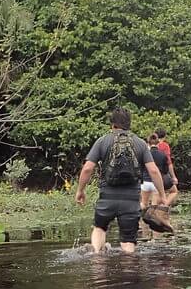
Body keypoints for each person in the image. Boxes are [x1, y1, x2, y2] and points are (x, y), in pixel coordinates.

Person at [75, 107, 167, 254]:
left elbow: (87, 169)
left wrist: (80, 191)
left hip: (107, 198)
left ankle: (97, 262)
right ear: (129, 124)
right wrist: (162, 195)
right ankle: (129, 271)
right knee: (128, 242)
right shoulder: (141, 143)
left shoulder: (102, 141)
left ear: (112, 124)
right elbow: (154, 171)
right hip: (130, 201)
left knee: (100, 228)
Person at [154, 127, 180, 207]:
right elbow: (169, 163)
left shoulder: (151, 146)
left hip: (152, 175)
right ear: (165, 136)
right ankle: (164, 206)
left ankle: (155, 208)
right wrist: (174, 177)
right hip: (163, 174)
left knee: (157, 193)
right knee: (174, 191)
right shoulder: (165, 146)